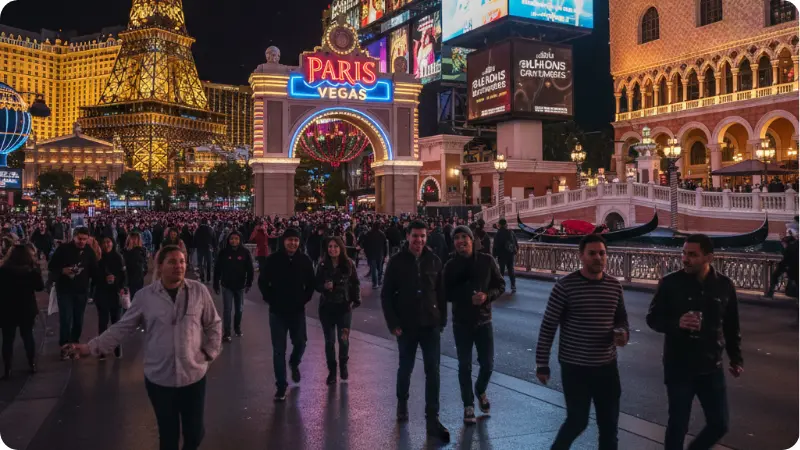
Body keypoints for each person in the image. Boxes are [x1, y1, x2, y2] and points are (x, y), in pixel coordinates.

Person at [63, 245, 222, 450]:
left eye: (182, 261)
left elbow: (214, 324)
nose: (179, 266)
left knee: (195, 434)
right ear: (160, 266)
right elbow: (121, 328)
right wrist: (90, 348)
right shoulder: (145, 297)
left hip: (193, 377)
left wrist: (209, 352)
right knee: (168, 436)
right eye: (172, 262)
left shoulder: (198, 291)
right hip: (160, 379)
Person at [646, 234, 743, 450]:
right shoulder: (670, 283)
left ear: (709, 257)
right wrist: (677, 323)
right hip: (679, 366)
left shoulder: (724, 285)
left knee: (719, 424)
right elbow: (653, 319)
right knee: (678, 424)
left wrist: (736, 358)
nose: (685, 259)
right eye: (683, 253)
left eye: (692, 255)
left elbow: (731, 325)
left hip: (711, 365)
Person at [536, 234, 629, 450]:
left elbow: (622, 320)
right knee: (577, 421)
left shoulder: (614, 286)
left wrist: (623, 334)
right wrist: (542, 364)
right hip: (575, 367)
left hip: (607, 367)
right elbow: (548, 326)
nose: (598, 257)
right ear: (581, 256)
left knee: (609, 427)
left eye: (602, 253)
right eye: (592, 253)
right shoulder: (565, 286)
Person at [381, 220, 450, 442]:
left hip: (430, 325)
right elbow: (386, 295)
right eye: (415, 236)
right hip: (407, 326)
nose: (419, 240)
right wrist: (393, 323)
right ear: (408, 236)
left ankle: (432, 418)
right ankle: (402, 402)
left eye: (422, 236)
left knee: (433, 371)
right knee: (405, 368)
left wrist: (442, 321)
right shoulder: (396, 262)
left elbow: (441, 294)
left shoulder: (434, 260)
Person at [443, 225, 505, 424]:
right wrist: (466, 298)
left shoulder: (487, 261)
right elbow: (445, 293)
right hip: (461, 323)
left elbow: (500, 285)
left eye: (464, 237)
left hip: (484, 320)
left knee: (488, 364)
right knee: (464, 365)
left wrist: (487, 296)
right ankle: (468, 405)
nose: (461, 241)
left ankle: (480, 389)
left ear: (472, 240)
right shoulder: (450, 266)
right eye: (457, 238)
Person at [258, 228, 315, 401]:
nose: (293, 243)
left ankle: (294, 362)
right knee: (278, 350)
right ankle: (281, 386)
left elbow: (311, 284)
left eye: (296, 240)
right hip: (277, 312)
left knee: (301, 343)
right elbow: (262, 282)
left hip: (297, 311)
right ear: (283, 241)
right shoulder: (273, 260)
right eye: (290, 240)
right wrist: (270, 299)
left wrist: (303, 299)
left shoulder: (304, 260)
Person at [315, 236, 361, 385]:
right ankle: (332, 371)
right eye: (330, 246)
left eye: (335, 246)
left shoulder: (349, 264)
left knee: (343, 340)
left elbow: (355, 283)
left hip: (344, 308)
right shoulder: (322, 265)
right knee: (329, 341)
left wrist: (355, 300)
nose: (332, 249)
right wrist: (324, 287)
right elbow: (316, 284)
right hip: (327, 308)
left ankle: (343, 364)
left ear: (341, 248)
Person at [48, 227, 99, 360]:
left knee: (78, 320)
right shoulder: (63, 249)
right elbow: (51, 266)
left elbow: (94, 271)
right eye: (79, 239)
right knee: (66, 318)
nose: (82, 242)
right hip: (65, 290)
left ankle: (74, 344)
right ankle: (65, 347)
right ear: (74, 237)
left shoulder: (89, 252)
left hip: (81, 291)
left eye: (84, 239)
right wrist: (62, 270)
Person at [0, 244, 44, 379]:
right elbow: (39, 287)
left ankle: (7, 368)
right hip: (26, 308)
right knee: (28, 336)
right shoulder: (31, 271)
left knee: (7, 339)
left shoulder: (3, 271)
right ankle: (32, 363)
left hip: (7, 309)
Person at [213, 231, 254, 342]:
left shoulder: (245, 252)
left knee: (239, 309)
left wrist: (249, 283)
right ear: (228, 240)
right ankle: (227, 333)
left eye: (236, 239)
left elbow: (250, 269)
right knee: (227, 309)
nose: (234, 241)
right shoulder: (223, 252)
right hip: (227, 285)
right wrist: (216, 283)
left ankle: (237, 328)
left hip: (240, 286)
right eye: (231, 239)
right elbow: (217, 269)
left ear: (240, 240)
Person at [95, 237, 127, 359]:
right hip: (102, 293)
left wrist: (118, 282)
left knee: (116, 323)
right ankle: (102, 349)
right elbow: (93, 276)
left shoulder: (118, 257)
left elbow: (124, 276)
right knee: (103, 323)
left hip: (115, 294)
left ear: (113, 243)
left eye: (108, 242)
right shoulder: (98, 258)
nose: (106, 244)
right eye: (104, 242)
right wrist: (103, 279)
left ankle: (117, 348)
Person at [492, 218, 519, 292]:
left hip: (501, 255)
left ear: (500, 225)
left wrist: (494, 256)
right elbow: (515, 243)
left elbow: (495, 246)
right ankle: (513, 285)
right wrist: (515, 251)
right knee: (511, 270)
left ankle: (501, 286)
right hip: (510, 254)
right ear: (506, 224)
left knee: (501, 271)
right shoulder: (511, 232)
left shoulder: (498, 234)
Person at [123, 232, 149, 301]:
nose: (134, 241)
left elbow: (144, 264)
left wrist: (143, 272)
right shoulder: (126, 251)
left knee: (138, 297)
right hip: (129, 278)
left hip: (139, 278)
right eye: (132, 239)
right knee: (130, 298)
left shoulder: (142, 250)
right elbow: (125, 262)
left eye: (136, 239)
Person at [363, 222, 388, 289]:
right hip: (380, 254)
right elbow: (385, 245)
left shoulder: (368, 234)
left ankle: (375, 283)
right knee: (379, 268)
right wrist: (385, 254)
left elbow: (365, 244)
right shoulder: (382, 234)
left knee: (373, 269)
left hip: (371, 254)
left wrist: (366, 253)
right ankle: (379, 280)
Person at [194, 219, 216, 283]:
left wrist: (195, 246)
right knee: (209, 263)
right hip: (208, 248)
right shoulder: (211, 229)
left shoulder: (198, 229)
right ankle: (208, 278)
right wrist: (214, 246)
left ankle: (202, 277)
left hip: (200, 248)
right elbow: (214, 239)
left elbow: (195, 239)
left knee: (200, 263)